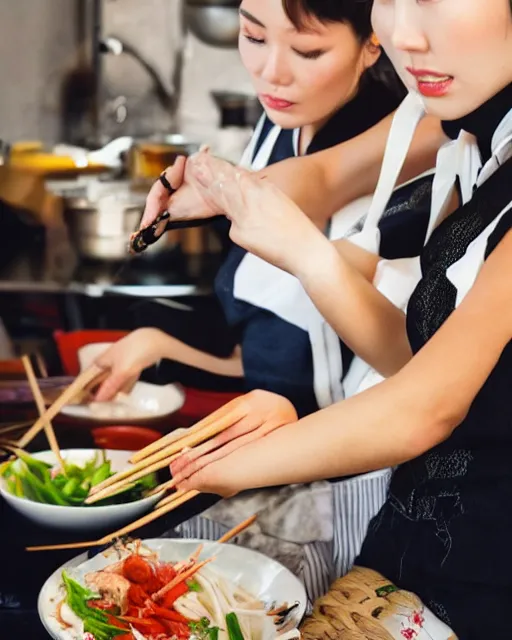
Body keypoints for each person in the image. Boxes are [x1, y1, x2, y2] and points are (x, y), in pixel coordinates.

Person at [152, 0, 512, 635]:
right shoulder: (468, 122)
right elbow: (420, 365)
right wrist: (257, 216)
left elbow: (426, 408)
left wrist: (219, 466)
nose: (400, 33)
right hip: (415, 553)